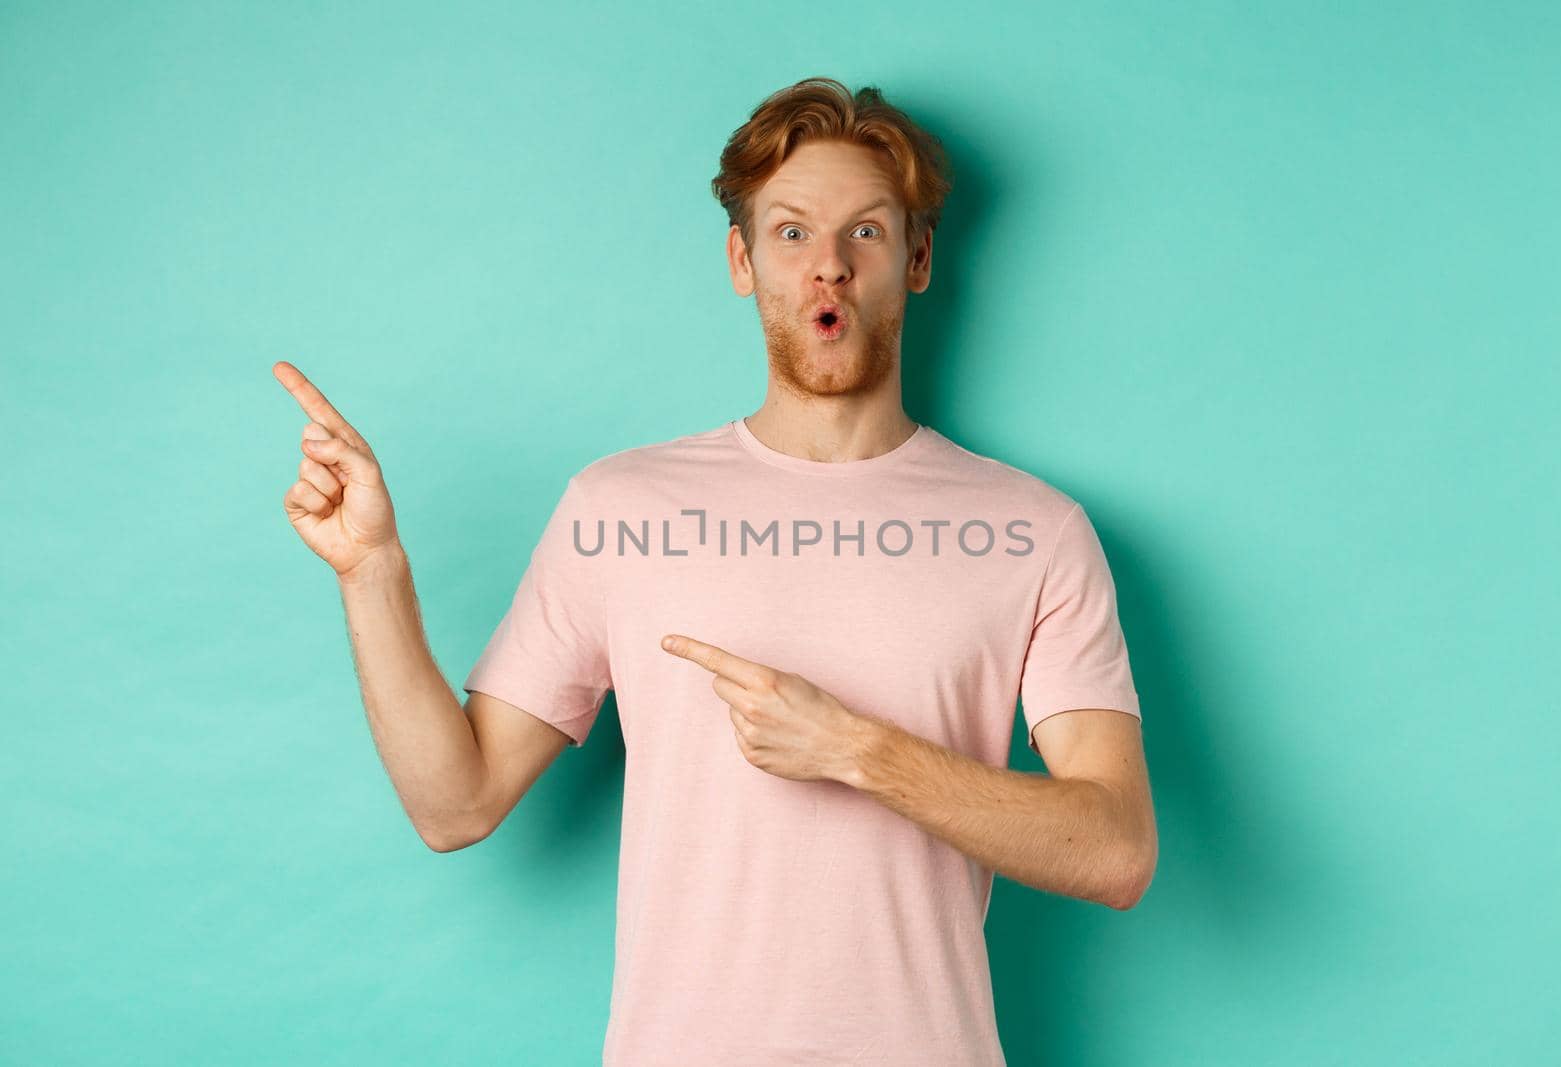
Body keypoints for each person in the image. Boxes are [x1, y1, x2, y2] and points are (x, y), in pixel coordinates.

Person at [276, 76, 1156, 1067]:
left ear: (915, 258)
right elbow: (456, 801)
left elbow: (1117, 848)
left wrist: (859, 751)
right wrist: (372, 571)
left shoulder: (1032, 530)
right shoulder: (621, 507)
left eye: (864, 233)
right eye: (790, 233)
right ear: (742, 260)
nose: (827, 266)